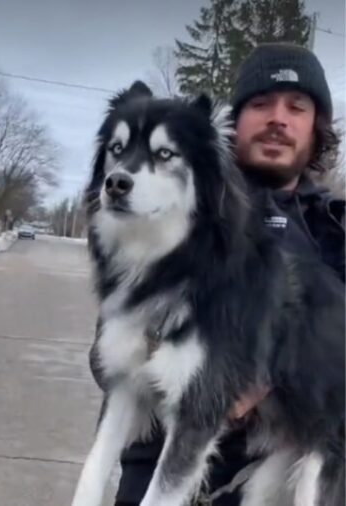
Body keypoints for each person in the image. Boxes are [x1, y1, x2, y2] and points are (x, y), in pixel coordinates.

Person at [112, 43, 345, 505]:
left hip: (290, 468)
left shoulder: (336, 230)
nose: (278, 118)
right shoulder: (180, 206)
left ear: (316, 131)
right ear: (233, 122)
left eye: (297, 107)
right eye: (260, 104)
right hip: (164, 465)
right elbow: (112, 352)